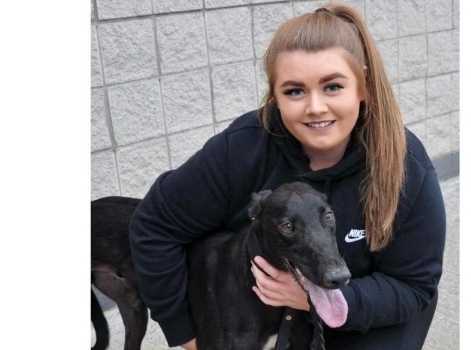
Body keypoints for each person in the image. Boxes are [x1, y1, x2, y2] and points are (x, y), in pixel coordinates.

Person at [129, 2, 446, 350]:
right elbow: (154, 225)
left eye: (333, 87)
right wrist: (186, 334)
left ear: (363, 87)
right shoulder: (244, 146)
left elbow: (414, 286)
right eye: (295, 91)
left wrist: (313, 298)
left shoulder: (405, 162)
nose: (315, 107)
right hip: (269, 307)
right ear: (275, 97)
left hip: (371, 309)